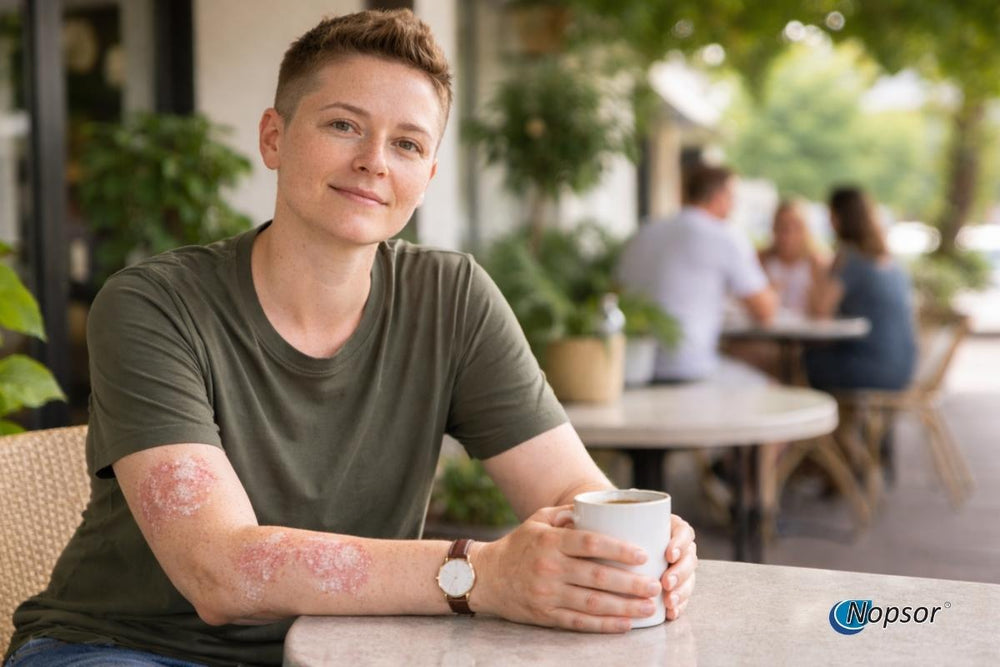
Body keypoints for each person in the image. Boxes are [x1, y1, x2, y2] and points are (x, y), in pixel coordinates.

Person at [4, 10, 697, 667]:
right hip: (126, 647)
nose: (374, 161)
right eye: (343, 124)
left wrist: (638, 547)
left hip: (348, 648)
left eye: (407, 143)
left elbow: (571, 491)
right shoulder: (154, 304)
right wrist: (477, 572)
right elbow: (219, 572)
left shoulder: (450, 298)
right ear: (274, 137)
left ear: (426, 176)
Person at [616, 164, 778, 383]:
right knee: (768, 376)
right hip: (687, 366)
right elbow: (765, 311)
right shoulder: (725, 236)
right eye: (733, 197)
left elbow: (617, 291)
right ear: (720, 196)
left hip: (634, 364)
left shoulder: (644, 233)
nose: (734, 206)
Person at [805, 186, 916, 390]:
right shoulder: (887, 258)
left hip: (872, 369)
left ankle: (819, 421)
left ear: (838, 219)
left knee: (800, 362)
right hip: (903, 368)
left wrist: (817, 271)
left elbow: (820, 312)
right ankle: (846, 422)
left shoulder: (852, 258)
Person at [758, 200, 828, 316]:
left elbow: (822, 312)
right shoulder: (762, 259)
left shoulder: (817, 262)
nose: (788, 234)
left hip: (805, 331)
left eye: (796, 227)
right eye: (782, 226)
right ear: (774, 228)